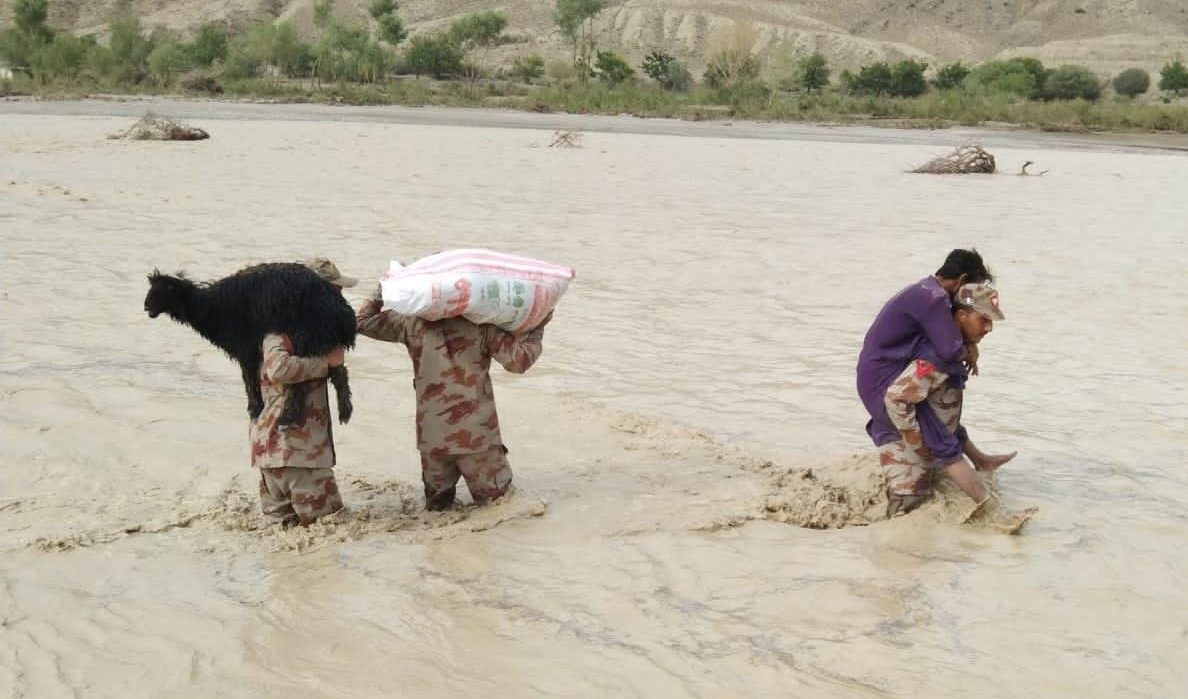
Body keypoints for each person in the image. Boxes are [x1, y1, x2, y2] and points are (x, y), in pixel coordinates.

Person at [355, 284, 550, 511]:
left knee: (436, 511)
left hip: (432, 439)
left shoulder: (409, 322)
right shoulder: (482, 324)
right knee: (500, 509)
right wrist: (537, 326)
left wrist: (383, 289)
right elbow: (519, 362)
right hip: (477, 438)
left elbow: (361, 322)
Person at [856, 249, 1014, 485]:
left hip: (878, 373)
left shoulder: (927, 290)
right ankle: (967, 478)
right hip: (880, 381)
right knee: (938, 426)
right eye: (971, 289)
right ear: (961, 281)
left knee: (943, 411)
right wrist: (969, 349)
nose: (970, 297)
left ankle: (980, 460)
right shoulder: (935, 298)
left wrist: (971, 344)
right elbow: (949, 349)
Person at [878, 282, 1009, 516]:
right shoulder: (936, 358)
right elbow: (896, 398)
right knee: (905, 510)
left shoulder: (954, 349)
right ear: (962, 315)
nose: (989, 328)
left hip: (935, 443)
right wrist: (917, 442)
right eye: (983, 319)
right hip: (907, 449)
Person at [250, 258, 356, 527]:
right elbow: (279, 369)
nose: (340, 300)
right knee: (331, 530)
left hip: (273, 454)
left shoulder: (297, 330)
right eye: (336, 292)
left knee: (283, 539)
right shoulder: (280, 333)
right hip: (299, 455)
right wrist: (326, 363)